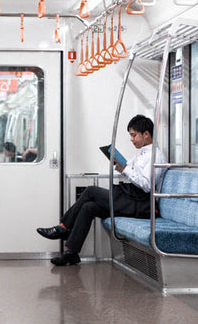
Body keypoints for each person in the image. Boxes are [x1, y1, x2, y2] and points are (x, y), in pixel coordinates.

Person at [36, 114, 164, 266]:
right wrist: (122, 165)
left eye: (133, 135)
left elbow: (147, 185)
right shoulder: (142, 154)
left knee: (91, 191)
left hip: (143, 204)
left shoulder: (156, 156)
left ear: (146, 134)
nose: (131, 139)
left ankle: (63, 227)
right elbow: (132, 170)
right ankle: (71, 252)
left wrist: (127, 169)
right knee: (88, 207)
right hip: (133, 199)